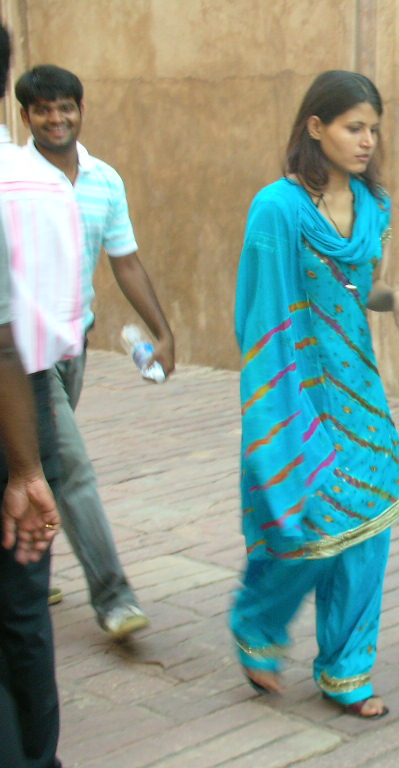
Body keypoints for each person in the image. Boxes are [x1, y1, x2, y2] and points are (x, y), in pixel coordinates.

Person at [230, 70, 399, 719]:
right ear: (315, 127)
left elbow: (360, 289)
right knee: (305, 519)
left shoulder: (375, 206)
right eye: (354, 127)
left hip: (357, 389)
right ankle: (257, 622)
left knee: (370, 521)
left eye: (373, 128)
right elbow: (260, 311)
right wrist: (272, 404)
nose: (367, 140)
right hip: (294, 390)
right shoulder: (277, 208)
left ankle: (348, 670)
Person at [14, 64, 176, 638]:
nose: (56, 119)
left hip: (72, 346)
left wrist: (162, 330)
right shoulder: (14, 179)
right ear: (26, 116)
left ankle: (21, 573)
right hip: (22, 355)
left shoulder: (105, 180)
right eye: (43, 109)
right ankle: (114, 597)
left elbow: (124, 260)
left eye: (65, 107)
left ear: (81, 110)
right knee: (71, 467)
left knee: (37, 462)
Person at [0, 22, 84, 768]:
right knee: (23, 603)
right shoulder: (43, 186)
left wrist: (25, 470)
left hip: (17, 413)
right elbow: (56, 327)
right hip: (30, 401)